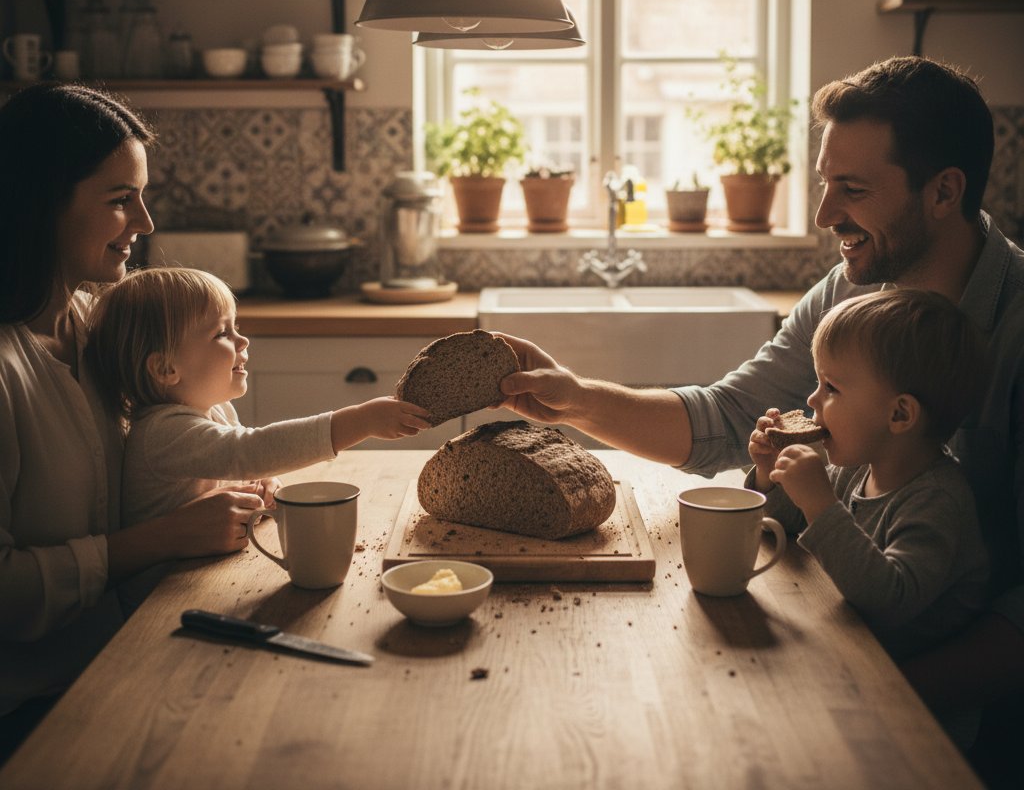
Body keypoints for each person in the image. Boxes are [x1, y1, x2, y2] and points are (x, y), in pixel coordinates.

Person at [498, 56, 1024, 773]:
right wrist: (577, 398)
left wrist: (874, 695)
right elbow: (723, 414)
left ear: (943, 193)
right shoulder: (850, 291)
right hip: (850, 661)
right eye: (823, 183)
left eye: (853, 189)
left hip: (960, 724)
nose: (823, 215)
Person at [0, 84, 264, 763]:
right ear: (40, 204)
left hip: (121, 661)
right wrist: (159, 539)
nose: (144, 221)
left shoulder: (99, 327)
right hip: (30, 712)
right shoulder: (6, 367)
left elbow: (168, 447)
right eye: (121, 199)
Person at [747, 288, 989, 742]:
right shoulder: (852, 468)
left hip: (918, 727)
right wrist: (769, 477)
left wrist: (819, 501)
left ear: (899, 414)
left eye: (832, 388)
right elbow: (787, 525)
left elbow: (888, 600)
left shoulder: (938, 502)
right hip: (849, 671)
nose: (813, 401)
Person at [86, 265, 429, 535]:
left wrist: (261, 481)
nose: (242, 340)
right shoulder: (161, 434)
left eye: (236, 327)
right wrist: (360, 421)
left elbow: (242, 463)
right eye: (222, 332)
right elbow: (246, 452)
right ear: (164, 368)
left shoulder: (215, 410)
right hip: (157, 602)